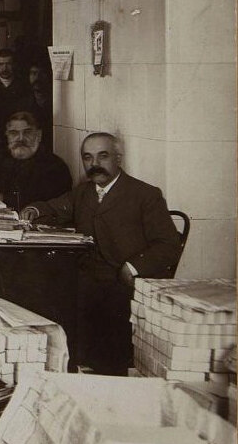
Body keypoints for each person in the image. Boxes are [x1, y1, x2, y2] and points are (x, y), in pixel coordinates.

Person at [24, 132, 182, 374]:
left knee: (96, 327)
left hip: (124, 284)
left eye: (103, 156)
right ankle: (67, 370)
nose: (94, 164)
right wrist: (34, 210)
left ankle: (98, 372)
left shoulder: (145, 194)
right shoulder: (84, 192)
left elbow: (169, 245)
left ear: (118, 158)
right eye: (88, 157)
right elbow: (55, 207)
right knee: (42, 296)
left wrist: (132, 268)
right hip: (87, 279)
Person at [0, 111, 72, 211]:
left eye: (27, 132)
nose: (21, 138)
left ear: (39, 135)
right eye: (14, 133)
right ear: (7, 135)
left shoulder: (55, 167)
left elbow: (48, 205)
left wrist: (2, 198)